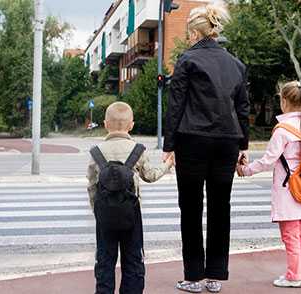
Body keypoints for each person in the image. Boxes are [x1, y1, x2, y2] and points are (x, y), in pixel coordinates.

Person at [162, 3, 250, 293]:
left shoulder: (187, 60)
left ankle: (193, 277)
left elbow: (176, 106)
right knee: (220, 207)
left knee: (190, 208)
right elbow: (243, 108)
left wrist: (169, 145)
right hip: (227, 142)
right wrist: (243, 145)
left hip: (192, 139)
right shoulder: (236, 65)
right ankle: (214, 277)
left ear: (194, 32)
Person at [87, 102, 175, 294]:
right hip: (131, 215)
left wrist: (98, 212)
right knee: (133, 260)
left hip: (105, 218)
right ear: (131, 125)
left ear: (105, 124)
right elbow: (150, 176)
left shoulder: (96, 152)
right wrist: (168, 165)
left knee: (104, 260)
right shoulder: (138, 150)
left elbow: (92, 186)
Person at [237, 80, 301, 288]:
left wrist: (245, 170)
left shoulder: (283, 130)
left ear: (284, 101)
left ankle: (293, 275)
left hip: (289, 189)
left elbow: (267, 161)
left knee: (290, 235)